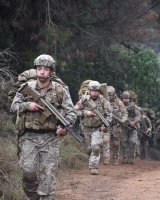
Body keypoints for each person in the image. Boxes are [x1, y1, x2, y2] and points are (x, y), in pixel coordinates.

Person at [10, 54, 77, 200]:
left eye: (45, 69)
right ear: (36, 70)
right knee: (28, 172)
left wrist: (64, 126)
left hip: (51, 138)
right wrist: (28, 105)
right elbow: (14, 106)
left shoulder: (60, 90)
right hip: (29, 137)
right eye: (39, 68)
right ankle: (33, 197)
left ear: (51, 71)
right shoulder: (26, 88)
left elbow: (71, 112)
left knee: (48, 175)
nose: (42, 71)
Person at [75, 80, 111, 174]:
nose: (94, 93)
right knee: (89, 149)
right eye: (92, 91)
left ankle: (93, 167)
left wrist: (105, 124)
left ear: (99, 91)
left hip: (97, 128)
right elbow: (74, 111)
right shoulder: (83, 99)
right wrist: (85, 113)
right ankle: (90, 159)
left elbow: (109, 114)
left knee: (95, 147)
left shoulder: (103, 100)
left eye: (96, 91)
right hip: (85, 128)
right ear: (89, 90)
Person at [107, 85, 128, 165]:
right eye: (108, 95)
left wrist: (123, 119)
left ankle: (115, 158)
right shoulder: (103, 101)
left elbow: (125, 112)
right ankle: (106, 157)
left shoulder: (119, 102)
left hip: (116, 125)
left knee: (116, 143)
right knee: (105, 141)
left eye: (110, 95)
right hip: (106, 124)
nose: (109, 97)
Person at [120, 90, 140, 164]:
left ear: (129, 99)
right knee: (124, 142)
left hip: (133, 127)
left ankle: (132, 157)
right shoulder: (120, 106)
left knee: (132, 141)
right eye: (124, 98)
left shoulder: (133, 106)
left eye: (127, 98)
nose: (125, 100)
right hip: (124, 127)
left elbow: (138, 115)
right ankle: (125, 158)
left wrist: (134, 122)